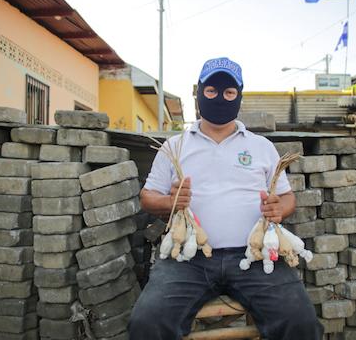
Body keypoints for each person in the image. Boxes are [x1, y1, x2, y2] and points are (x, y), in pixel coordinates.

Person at [128, 57, 324, 340]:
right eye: (211, 91)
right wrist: (170, 204)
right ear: (199, 93)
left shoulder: (261, 147)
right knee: (146, 323)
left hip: (255, 256)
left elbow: (286, 198)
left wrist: (278, 209)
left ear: (239, 97)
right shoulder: (175, 146)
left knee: (301, 323)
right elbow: (147, 197)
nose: (220, 98)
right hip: (187, 258)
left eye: (229, 93)